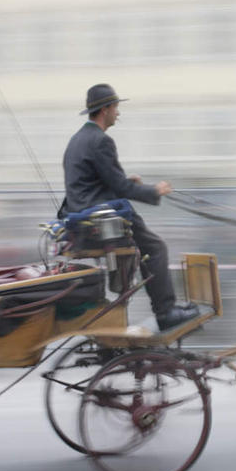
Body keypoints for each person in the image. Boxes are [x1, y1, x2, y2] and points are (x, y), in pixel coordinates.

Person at [59, 83, 199, 331]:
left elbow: (94, 183)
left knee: (147, 245)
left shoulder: (77, 139)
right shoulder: (101, 141)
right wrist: (154, 190)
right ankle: (165, 312)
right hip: (99, 217)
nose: (118, 113)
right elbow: (120, 188)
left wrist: (127, 183)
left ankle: (161, 308)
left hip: (83, 212)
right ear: (105, 110)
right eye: (116, 108)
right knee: (155, 248)